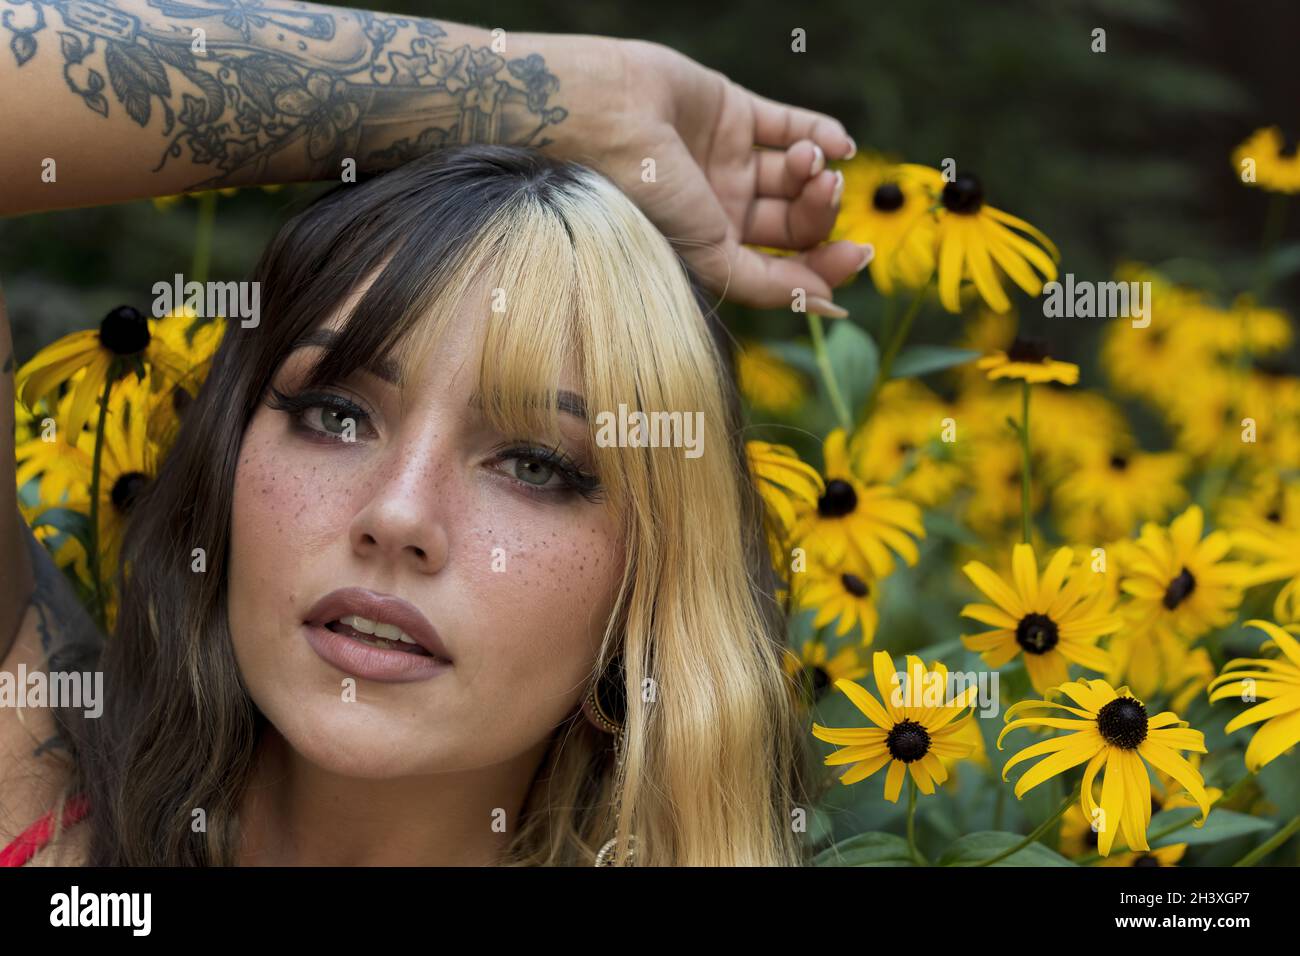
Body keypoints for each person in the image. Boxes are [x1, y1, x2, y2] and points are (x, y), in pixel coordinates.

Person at [0, 3, 867, 866]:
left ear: (651, 585)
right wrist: (575, 97)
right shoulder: (38, 794)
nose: (399, 515)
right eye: (336, 415)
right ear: (224, 456)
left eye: (534, 464)